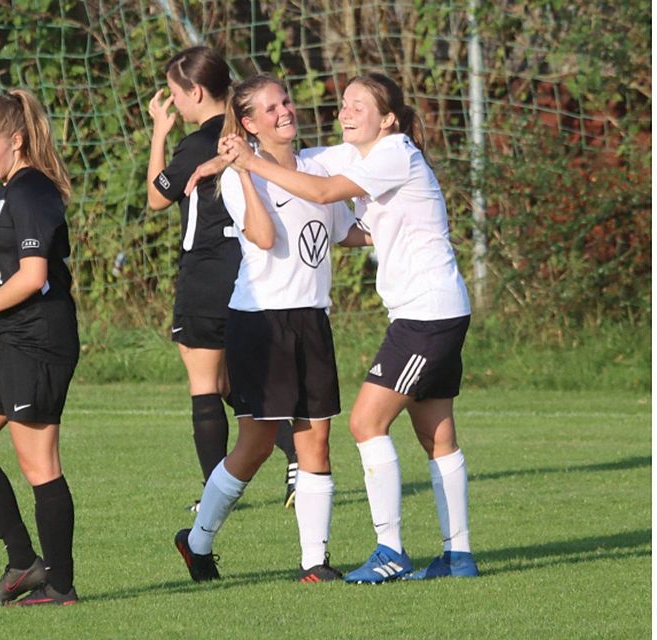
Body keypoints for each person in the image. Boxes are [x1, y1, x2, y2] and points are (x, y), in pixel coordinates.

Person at [214, 72, 479, 583]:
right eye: (344, 103)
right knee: (436, 433)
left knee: (364, 423)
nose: (347, 111)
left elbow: (320, 187)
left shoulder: (393, 151)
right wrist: (225, 162)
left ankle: (390, 550)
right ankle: (458, 556)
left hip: (426, 314)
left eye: (360, 105)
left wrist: (249, 161)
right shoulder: (362, 153)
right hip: (437, 308)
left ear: (389, 118)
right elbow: (309, 168)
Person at [173, 75, 370, 583]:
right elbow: (260, 235)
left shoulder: (318, 166)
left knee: (316, 442)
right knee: (256, 447)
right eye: (269, 108)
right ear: (248, 124)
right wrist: (241, 170)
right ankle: (197, 542)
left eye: (285, 100)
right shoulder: (242, 179)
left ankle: (314, 563)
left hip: (312, 317)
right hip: (261, 324)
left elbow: (344, 229)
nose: (284, 111)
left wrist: (399, 227)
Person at [146, 47, 299, 511]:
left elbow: (156, 197)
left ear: (194, 92)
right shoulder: (245, 138)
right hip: (249, 273)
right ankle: (296, 458)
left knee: (205, 384)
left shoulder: (197, 143)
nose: (175, 104)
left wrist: (159, 133)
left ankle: (215, 493)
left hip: (206, 273)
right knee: (240, 384)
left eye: (176, 95)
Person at [0, 89, 80, 606]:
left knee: (39, 465)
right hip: (9, 341)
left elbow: (33, 275)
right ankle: (23, 562)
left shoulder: (32, 192)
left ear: (16, 141)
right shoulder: (6, 192)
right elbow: (5, 276)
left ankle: (62, 585)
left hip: (40, 342)